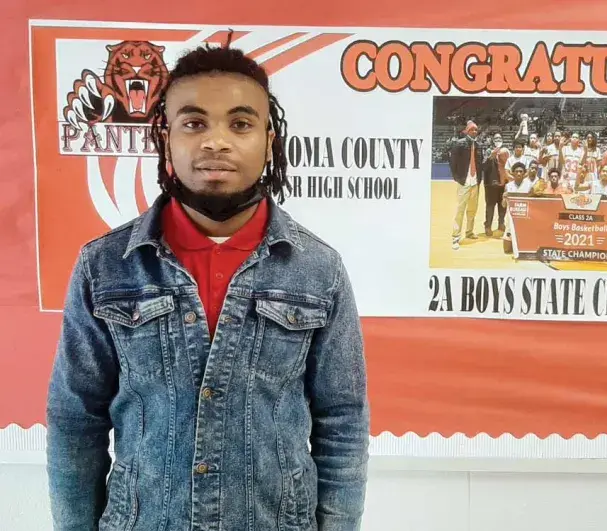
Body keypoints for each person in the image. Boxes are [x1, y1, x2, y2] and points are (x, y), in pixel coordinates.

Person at [46, 39, 369, 531]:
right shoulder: (105, 266)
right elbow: (76, 422)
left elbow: (342, 422)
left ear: (269, 140)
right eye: (194, 123)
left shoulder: (318, 269)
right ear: (166, 137)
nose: (216, 142)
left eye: (240, 124)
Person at [449, 119, 484, 250]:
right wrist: (457, 178)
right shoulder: (459, 144)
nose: (474, 131)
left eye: (476, 130)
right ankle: (455, 237)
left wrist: (479, 180)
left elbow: (480, 163)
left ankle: (469, 231)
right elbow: (452, 162)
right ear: (467, 131)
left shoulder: (479, 145)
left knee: (472, 209)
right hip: (464, 182)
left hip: (475, 182)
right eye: (472, 129)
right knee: (460, 210)